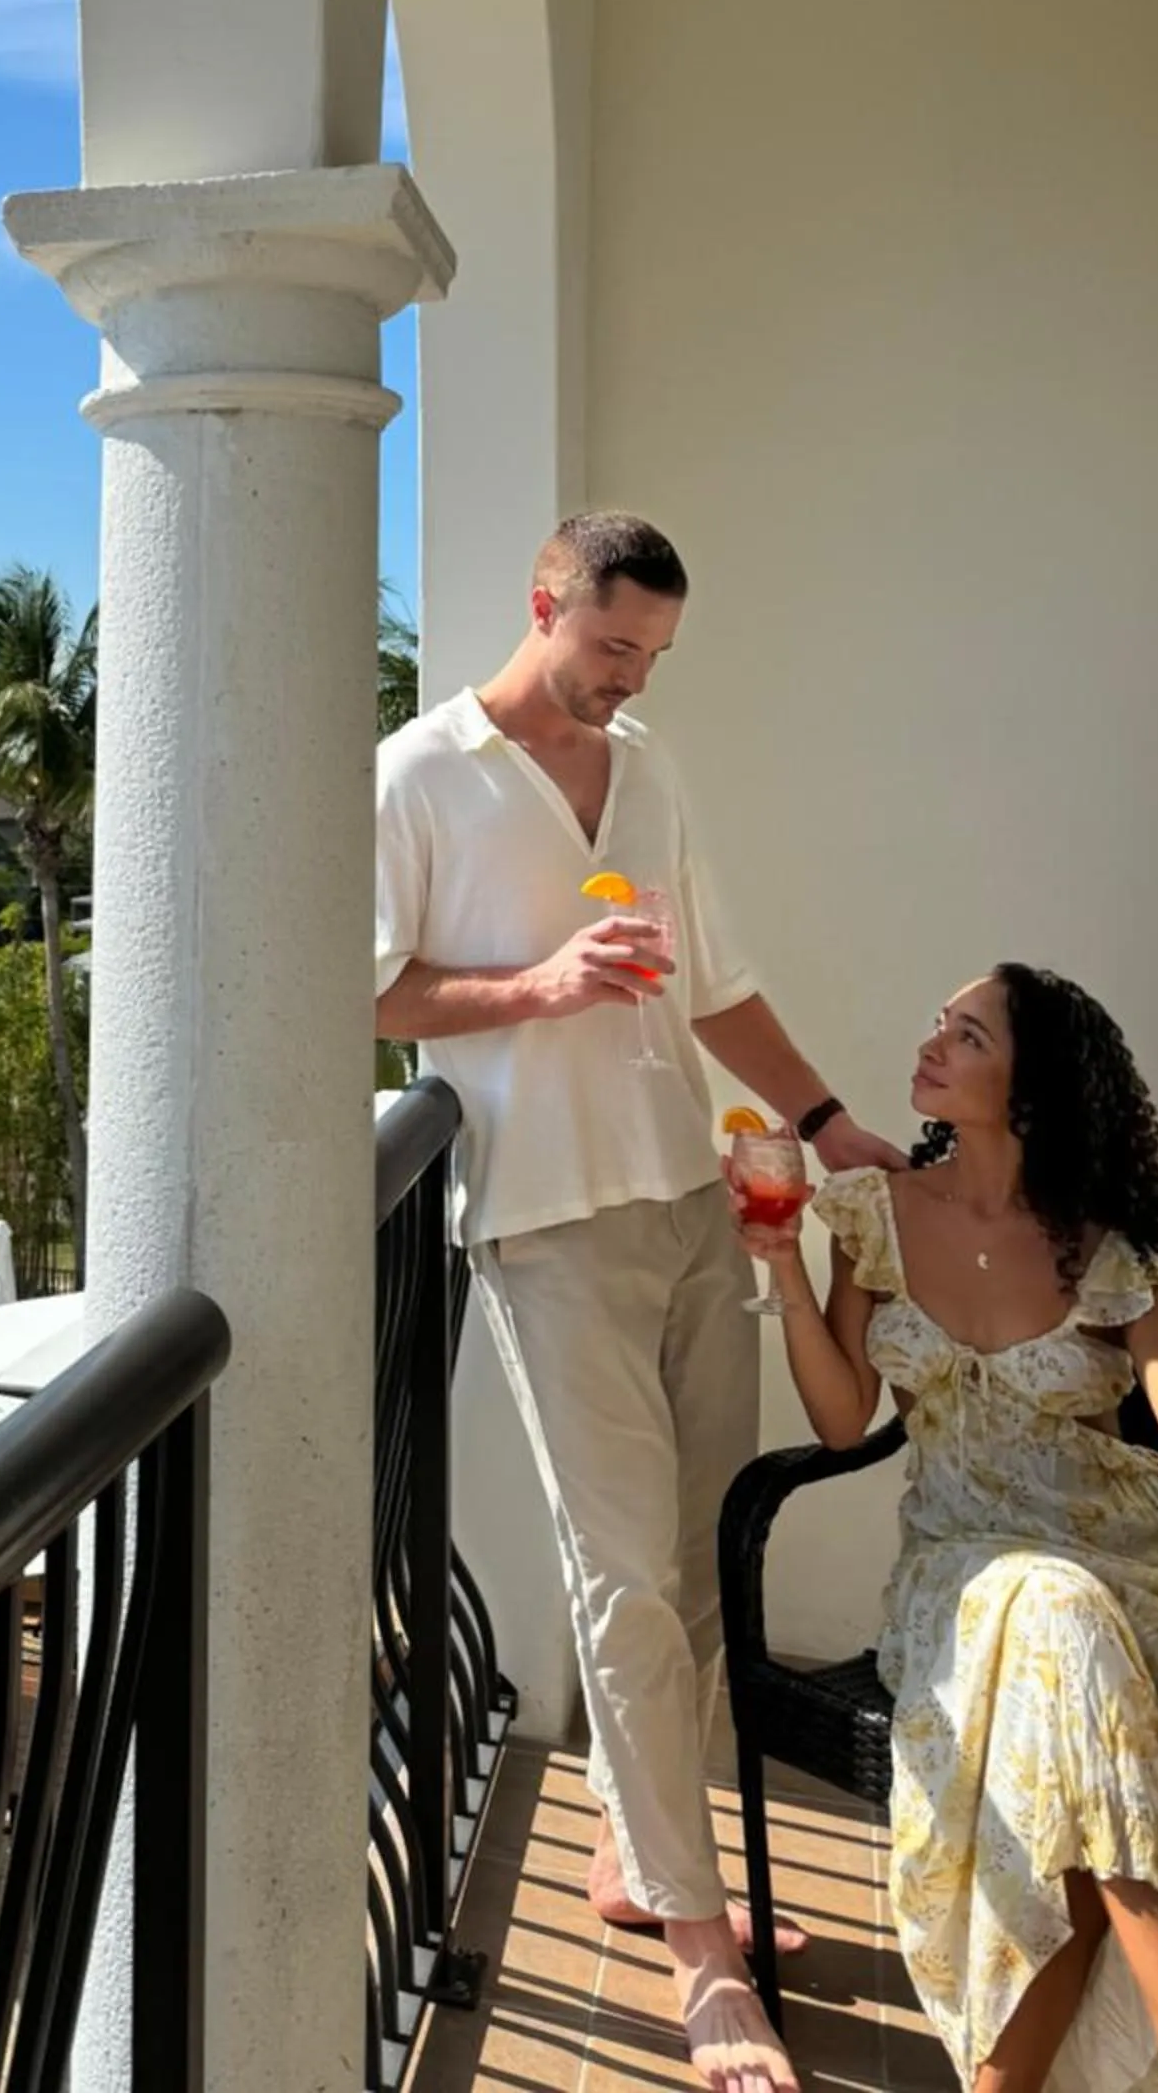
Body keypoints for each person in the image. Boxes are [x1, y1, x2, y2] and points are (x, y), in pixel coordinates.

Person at [375, 510, 903, 2093]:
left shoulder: (651, 769)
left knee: (689, 1558)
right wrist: (536, 989)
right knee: (615, 1577)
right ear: (545, 605)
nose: (627, 680)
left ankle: (633, 1850)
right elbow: (368, 985)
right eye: (610, 647)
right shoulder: (417, 773)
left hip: (686, 1197)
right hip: (543, 1220)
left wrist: (821, 1125)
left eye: (651, 656)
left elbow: (717, 982)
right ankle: (695, 1950)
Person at [738, 965, 1158, 2093]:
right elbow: (845, 1414)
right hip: (960, 1571)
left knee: (1066, 1652)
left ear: (1031, 1083)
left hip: (1129, 1562)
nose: (933, 1042)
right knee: (1049, 1617)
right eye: (939, 1024)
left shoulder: (1120, 1249)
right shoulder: (874, 1214)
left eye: (969, 1034)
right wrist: (783, 1277)